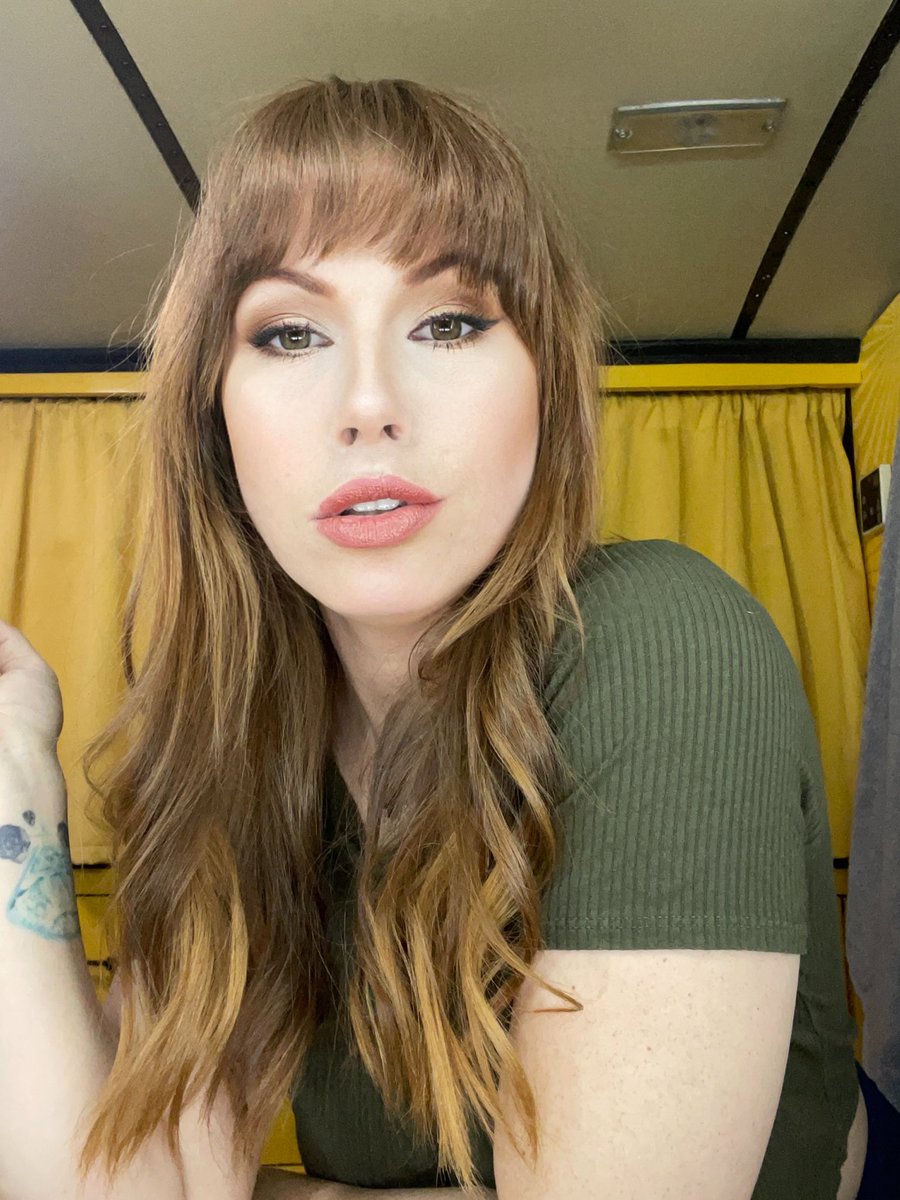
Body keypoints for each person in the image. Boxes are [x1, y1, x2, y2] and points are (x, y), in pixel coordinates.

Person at [0, 75, 870, 1200]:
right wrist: (16, 790)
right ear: (215, 423)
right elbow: (116, 1183)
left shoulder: (668, 643)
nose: (369, 402)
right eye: (290, 332)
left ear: (547, 384)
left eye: (450, 321)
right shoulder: (241, 751)